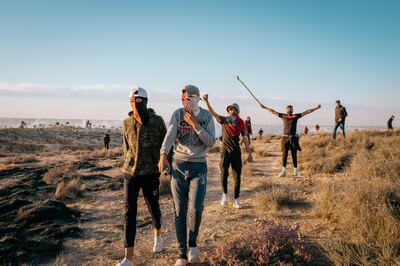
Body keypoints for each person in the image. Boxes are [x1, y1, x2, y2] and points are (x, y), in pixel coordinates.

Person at [158, 85, 215, 266]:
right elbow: (170, 135)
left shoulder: (206, 117)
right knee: (179, 211)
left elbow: (211, 142)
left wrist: (196, 126)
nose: (186, 101)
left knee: (196, 209)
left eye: (190, 98)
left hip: (199, 167)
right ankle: (181, 253)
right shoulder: (177, 113)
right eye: (184, 98)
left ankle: (193, 243)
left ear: (197, 98)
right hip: (178, 166)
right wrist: (163, 154)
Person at [117, 87, 167, 266]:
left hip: (151, 173)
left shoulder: (157, 121)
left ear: (145, 101)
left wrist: (165, 163)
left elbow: (165, 146)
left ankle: (158, 237)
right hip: (130, 174)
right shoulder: (126, 122)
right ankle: (128, 258)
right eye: (132, 100)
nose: (135, 104)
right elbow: (126, 148)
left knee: (154, 207)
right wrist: (126, 164)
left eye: (139, 101)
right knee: (129, 212)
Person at [203, 95, 253, 209]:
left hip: (236, 152)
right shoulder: (224, 120)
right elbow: (214, 114)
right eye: (230, 109)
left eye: (234, 109)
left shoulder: (241, 123)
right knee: (224, 174)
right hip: (225, 152)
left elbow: (245, 138)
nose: (232, 111)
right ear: (228, 111)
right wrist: (207, 101)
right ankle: (225, 195)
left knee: (237, 177)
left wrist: (249, 153)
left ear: (238, 111)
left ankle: (236, 199)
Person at [261, 103, 321, 177]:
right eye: (288, 108)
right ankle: (283, 172)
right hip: (285, 138)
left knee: (294, 154)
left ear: (293, 110)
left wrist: (316, 108)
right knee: (284, 154)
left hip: (293, 138)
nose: (290, 109)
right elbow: (273, 111)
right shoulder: (283, 116)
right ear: (286, 110)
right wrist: (264, 107)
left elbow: (307, 111)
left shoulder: (295, 116)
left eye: (291, 108)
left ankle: (296, 172)